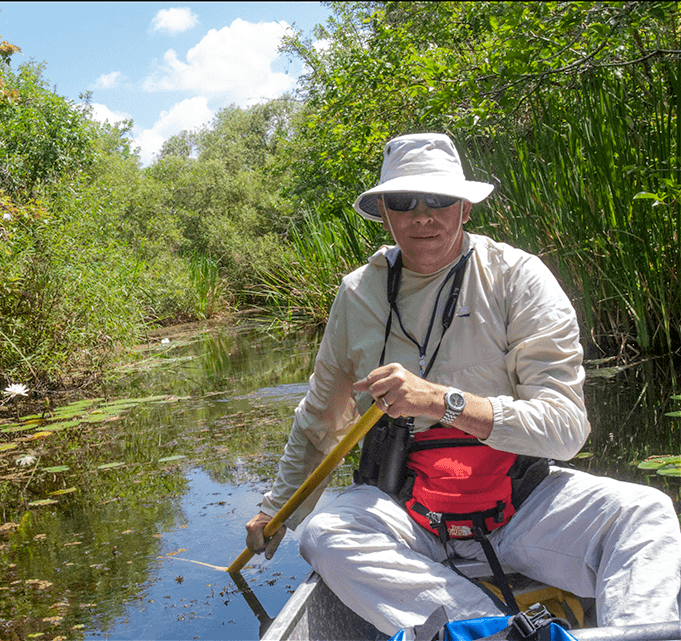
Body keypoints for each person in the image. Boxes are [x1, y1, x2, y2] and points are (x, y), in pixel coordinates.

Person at [244, 133, 681, 633]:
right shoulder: (356, 294)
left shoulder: (518, 277)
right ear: (384, 213)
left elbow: (564, 429)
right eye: (404, 201)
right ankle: (491, 629)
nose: (422, 215)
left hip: (519, 505)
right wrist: (274, 511)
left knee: (645, 513)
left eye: (439, 200)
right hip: (406, 512)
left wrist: (442, 402)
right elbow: (320, 419)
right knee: (323, 535)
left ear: (465, 208)